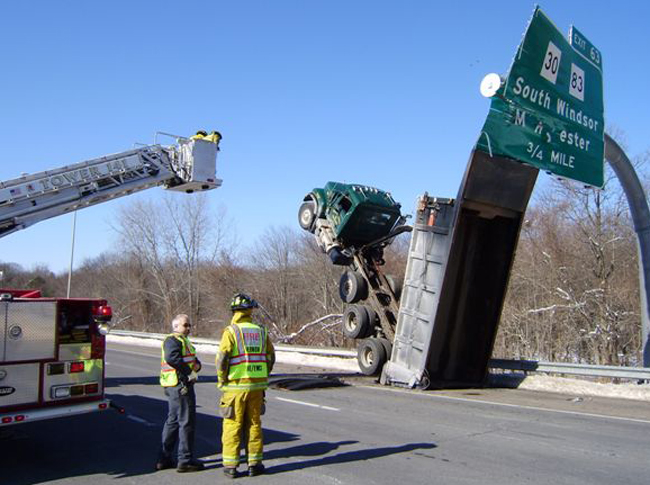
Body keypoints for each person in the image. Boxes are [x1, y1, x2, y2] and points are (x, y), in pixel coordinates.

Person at [216, 293, 275, 479]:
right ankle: (254, 464)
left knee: (232, 426)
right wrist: (263, 375)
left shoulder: (231, 332)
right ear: (250, 309)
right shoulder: (261, 331)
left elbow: (222, 359)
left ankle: (231, 467)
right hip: (257, 388)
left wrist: (222, 379)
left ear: (234, 311)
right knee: (254, 424)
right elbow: (270, 357)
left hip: (235, 388)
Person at [156, 314, 205, 473]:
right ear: (176, 326)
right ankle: (185, 460)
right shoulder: (173, 340)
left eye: (189, 325)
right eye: (185, 325)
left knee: (174, 420)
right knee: (186, 421)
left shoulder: (184, 341)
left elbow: (191, 359)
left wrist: (197, 365)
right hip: (180, 385)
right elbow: (172, 358)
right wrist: (189, 371)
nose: (188, 328)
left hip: (175, 384)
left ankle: (164, 458)